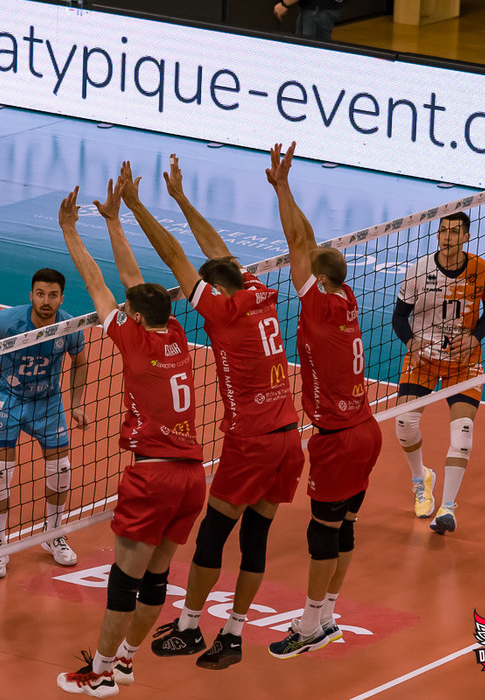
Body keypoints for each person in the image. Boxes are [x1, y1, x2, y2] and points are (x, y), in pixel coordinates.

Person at [126, 157, 304, 670]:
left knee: (212, 535)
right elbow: (216, 253)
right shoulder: (258, 292)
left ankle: (188, 627)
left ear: (216, 292)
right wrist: (181, 199)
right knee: (256, 537)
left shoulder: (222, 310)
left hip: (252, 440)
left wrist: (136, 206)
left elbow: (176, 255)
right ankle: (233, 634)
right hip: (289, 435)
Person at [56, 179, 206, 697]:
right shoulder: (176, 334)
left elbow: (98, 281)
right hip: (193, 476)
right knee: (157, 578)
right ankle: (125, 661)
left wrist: (71, 230)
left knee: (124, 580)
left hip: (154, 476)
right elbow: (134, 282)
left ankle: (98, 675)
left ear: (135, 319)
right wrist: (116, 220)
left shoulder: (134, 340)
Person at [264, 142, 382, 657]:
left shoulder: (315, 307)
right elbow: (308, 241)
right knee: (345, 528)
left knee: (322, 536)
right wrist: (285, 185)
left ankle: (311, 625)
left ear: (321, 279)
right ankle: (328, 613)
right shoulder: (345, 297)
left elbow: (297, 240)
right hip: (367, 429)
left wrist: (281, 188)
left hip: (338, 440)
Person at [0, 268, 88, 578]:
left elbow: (81, 362)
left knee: (61, 469)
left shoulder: (70, 327)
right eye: (40, 294)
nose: (45, 301)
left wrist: (77, 403)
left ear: (61, 298)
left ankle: (53, 534)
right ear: (31, 295)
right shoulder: (5, 322)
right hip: (6, 399)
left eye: (52, 295)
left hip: (47, 403)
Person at [392, 210, 485, 534]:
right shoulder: (418, 271)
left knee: (463, 435)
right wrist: (412, 343)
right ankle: (420, 479)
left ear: (466, 237)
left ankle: (447, 509)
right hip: (423, 358)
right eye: (443, 231)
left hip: (464, 361)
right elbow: (399, 317)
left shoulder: (483, 270)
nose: (447, 237)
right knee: (404, 425)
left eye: (454, 232)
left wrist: (474, 338)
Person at [274, 0, 344, 42]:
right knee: (304, 46)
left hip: (317, 10)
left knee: (314, 48)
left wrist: (285, 4)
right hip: (315, 9)